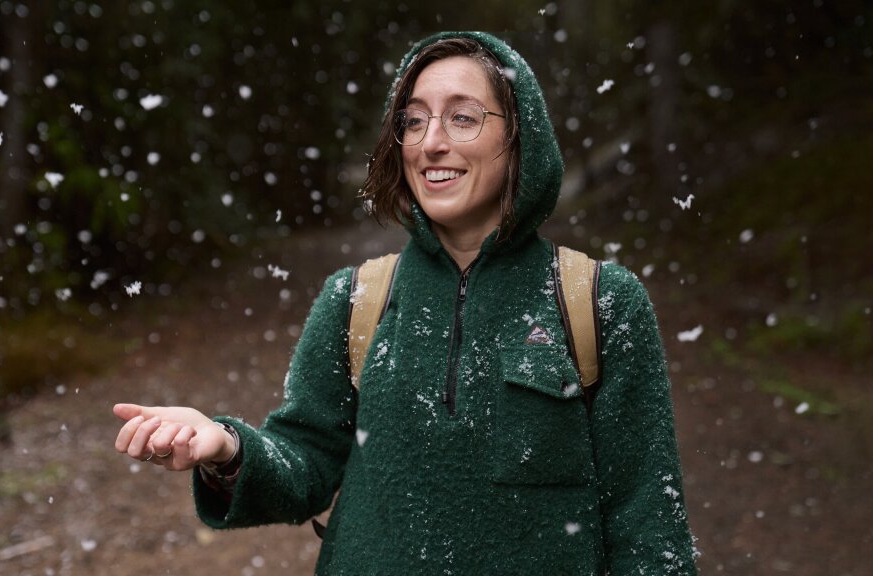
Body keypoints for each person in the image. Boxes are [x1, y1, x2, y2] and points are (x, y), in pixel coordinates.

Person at [114, 31, 698, 575]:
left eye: (462, 118)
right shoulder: (356, 299)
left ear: (521, 134)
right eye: (412, 121)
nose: (431, 142)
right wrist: (226, 446)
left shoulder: (600, 303)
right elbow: (307, 462)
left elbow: (649, 525)